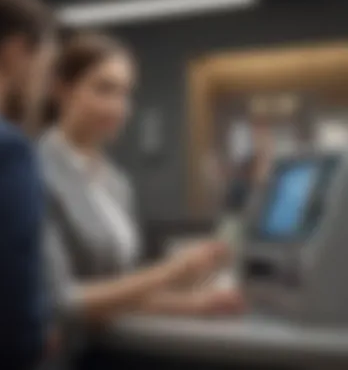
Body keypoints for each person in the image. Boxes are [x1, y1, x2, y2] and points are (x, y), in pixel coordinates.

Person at [40, 35, 243, 368]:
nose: (118, 107)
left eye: (125, 93)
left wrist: (197, 304)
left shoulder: (117, 183)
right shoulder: (35, 172)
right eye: (103, 89)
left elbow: (124, 292)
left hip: (115, 347)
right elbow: (62, 303)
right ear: (62, 89)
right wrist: (171, 271)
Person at [0, 0, 55, 369]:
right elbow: (15, 330)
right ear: (14, 52)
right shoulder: (1, 151)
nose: (43, 88)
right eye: (45, 67)